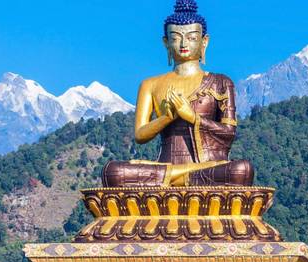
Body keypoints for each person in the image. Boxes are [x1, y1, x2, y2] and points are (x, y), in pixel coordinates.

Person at [102, 0, 254, 187]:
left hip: (207, 165)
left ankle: (172, 179)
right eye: (175, 38)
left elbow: (229, 133)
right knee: (114, 173)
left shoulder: (221, 82)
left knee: (241, 171)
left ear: (204, 41)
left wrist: (193, 117)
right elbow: (140, 135)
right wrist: (167, 117)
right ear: (166, 42)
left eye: (191, 37)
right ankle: (184, 176)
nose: (183, 44)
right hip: (170, 166)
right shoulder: (150, 84)